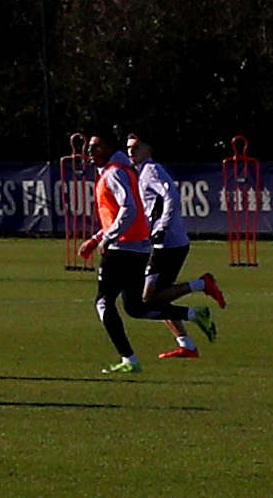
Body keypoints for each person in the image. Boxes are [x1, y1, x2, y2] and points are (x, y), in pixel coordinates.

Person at [124, 129, 223, 357]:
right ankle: (186, 345)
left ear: (149, 149)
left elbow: (172, 197)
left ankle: (202, 286)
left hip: (168, 244)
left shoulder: (151, 170)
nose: (131, 151)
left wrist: (161, 228)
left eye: (136, 147)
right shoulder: (139, 172)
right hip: (159, 243)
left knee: (147, 298)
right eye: (129, 148)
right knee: (156, 297)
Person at [82, 135, 155, 374]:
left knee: (103, 302)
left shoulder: (114, 172)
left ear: (109, 146)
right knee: (134, 307)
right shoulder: (123, 169)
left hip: (122, 247)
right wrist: (96, 240)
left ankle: (129, 359)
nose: (90, 150)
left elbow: (129, 208)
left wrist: (108, 238)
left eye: (96, 145)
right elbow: (118, 213)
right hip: (138, 246)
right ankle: (192, 312)